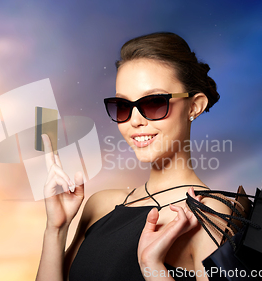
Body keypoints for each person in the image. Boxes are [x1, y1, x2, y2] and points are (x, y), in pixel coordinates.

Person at [35, 32, 231, 281]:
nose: (135, 121)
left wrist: (152, 266)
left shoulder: (210, 215)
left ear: (194, 106)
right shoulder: (100, 206)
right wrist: (56, 229)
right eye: (123, 106)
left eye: (155, 103)